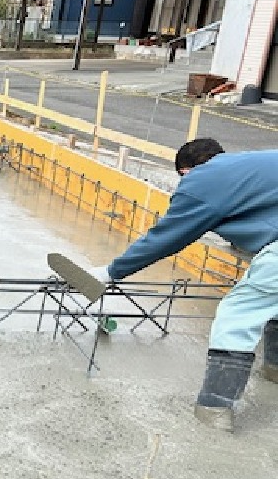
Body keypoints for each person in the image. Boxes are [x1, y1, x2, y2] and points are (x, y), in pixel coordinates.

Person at [89, 139, 278, 431]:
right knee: (273, 300)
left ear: (187, 171)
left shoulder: (201, 179)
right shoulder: (250, 168)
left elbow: (166, 237)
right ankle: (274, 372)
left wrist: (111, 271)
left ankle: (214, 412)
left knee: (237, 316)